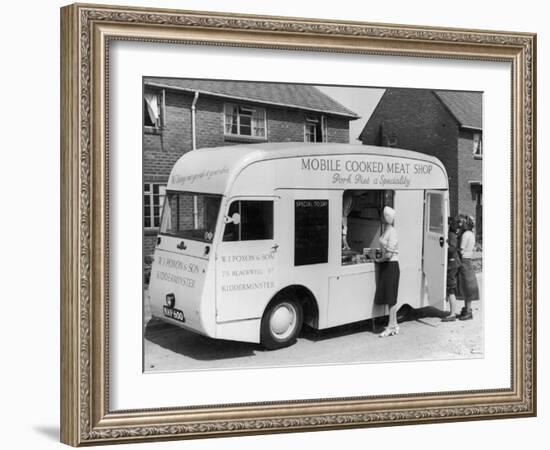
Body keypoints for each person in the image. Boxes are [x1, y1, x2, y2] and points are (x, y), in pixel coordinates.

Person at [374, 206, 400, 337]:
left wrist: (379, 260)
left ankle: (391, 326)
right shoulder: (387, 230)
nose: (381, 217)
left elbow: (389, 254)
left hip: (391, 265)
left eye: (383, 215)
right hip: (387, 265)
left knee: (391, 297)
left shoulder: (392, 232)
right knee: (389, 296)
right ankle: (394, 324)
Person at [456, 215, 480, 320]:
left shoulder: (465, 234)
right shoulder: (471, 234)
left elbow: (461, 250)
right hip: (468, 260)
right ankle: (467, 309)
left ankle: (468, 311)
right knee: (467, 286)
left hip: (464, 261)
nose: (460, 224)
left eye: (462, 222)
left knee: (466, 286)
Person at [441, 216, 462, 322]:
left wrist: (443, 247)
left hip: (452, 264)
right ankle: (452, 312)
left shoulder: (451, 234)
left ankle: (452, 314)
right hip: (454, 263)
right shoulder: (453, 234)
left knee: (451, 289)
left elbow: (452, 248)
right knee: (451, 289)